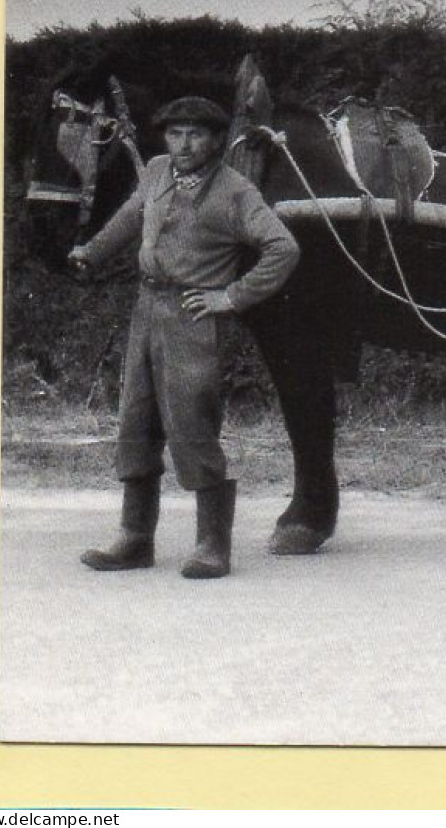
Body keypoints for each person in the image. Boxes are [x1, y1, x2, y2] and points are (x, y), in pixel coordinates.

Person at [69, 96, 300, 579]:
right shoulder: (156, 171)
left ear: (216, 140)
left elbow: (283, 247)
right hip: (146, 311)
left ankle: (213, 545)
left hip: (194, 319)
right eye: (175, 133)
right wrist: (91, 251)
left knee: (192, 424)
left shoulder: (237, 192)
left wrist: (232, 297)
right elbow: (133, 214)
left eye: (196, 134)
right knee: (135, 420)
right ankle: (135, 538)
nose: (184, 144)